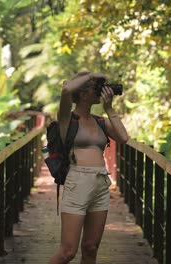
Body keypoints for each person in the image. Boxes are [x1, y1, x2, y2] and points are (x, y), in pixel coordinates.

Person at [48, 71, 129, 264]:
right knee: (68, 251)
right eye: (97, 88)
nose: (101, 92)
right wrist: (92, 75)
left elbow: (124, 138)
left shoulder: (100, 122)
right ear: (83, 94)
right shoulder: (68, 119)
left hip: (100, 183)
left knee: (91, 248)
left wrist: (109, 108)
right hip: (78, 182)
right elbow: (67, 89)